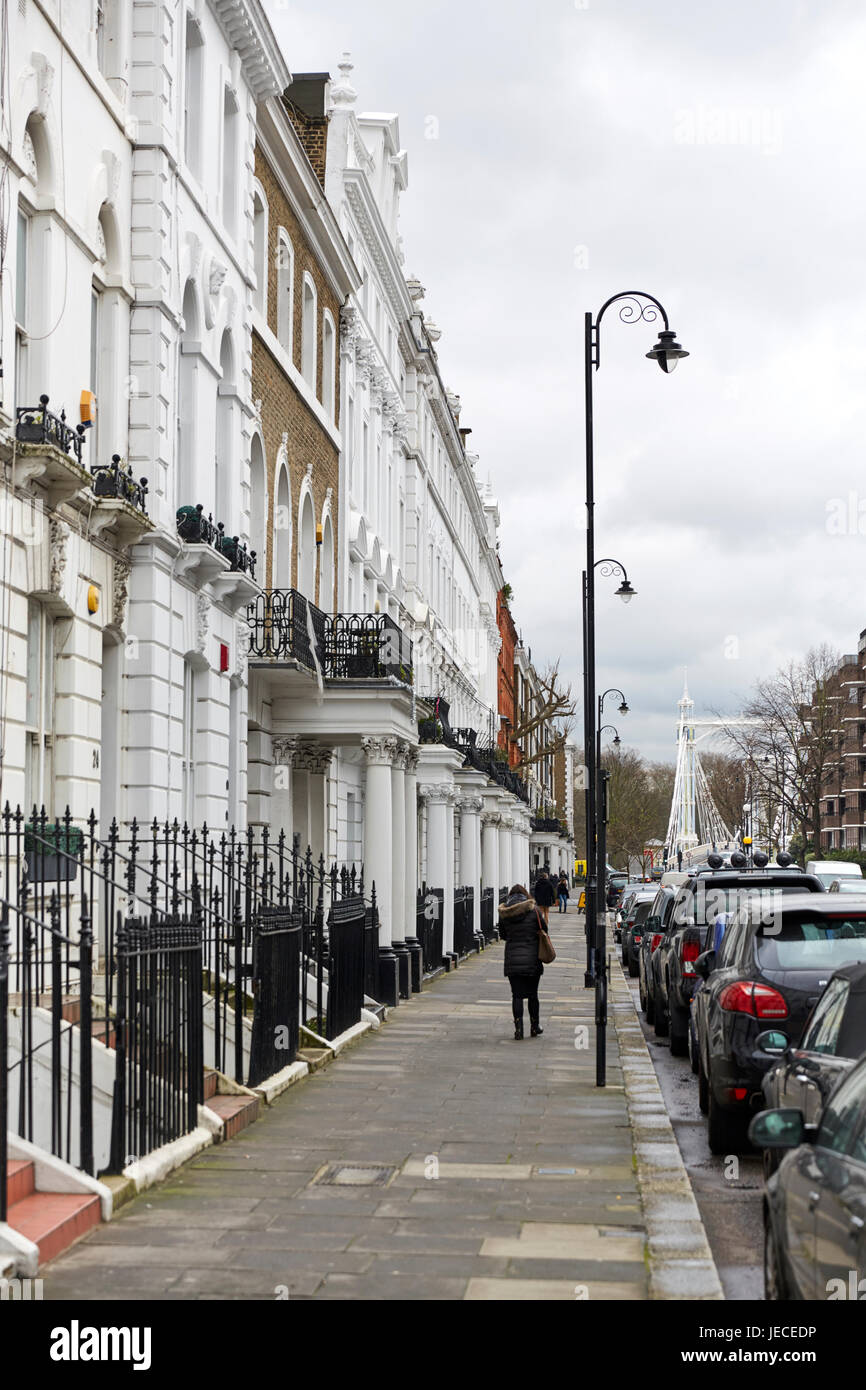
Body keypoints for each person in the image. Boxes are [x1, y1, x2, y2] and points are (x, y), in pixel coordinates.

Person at [498, 883, 547, 1039]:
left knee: (517, 995)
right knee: (533, 995)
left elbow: (503, 935)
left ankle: (518, 1029)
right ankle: (535, 1026)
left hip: (513, 958)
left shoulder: (505, 913)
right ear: (526, 895)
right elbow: (544, 929)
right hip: (532, 958)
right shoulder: (535, 911)